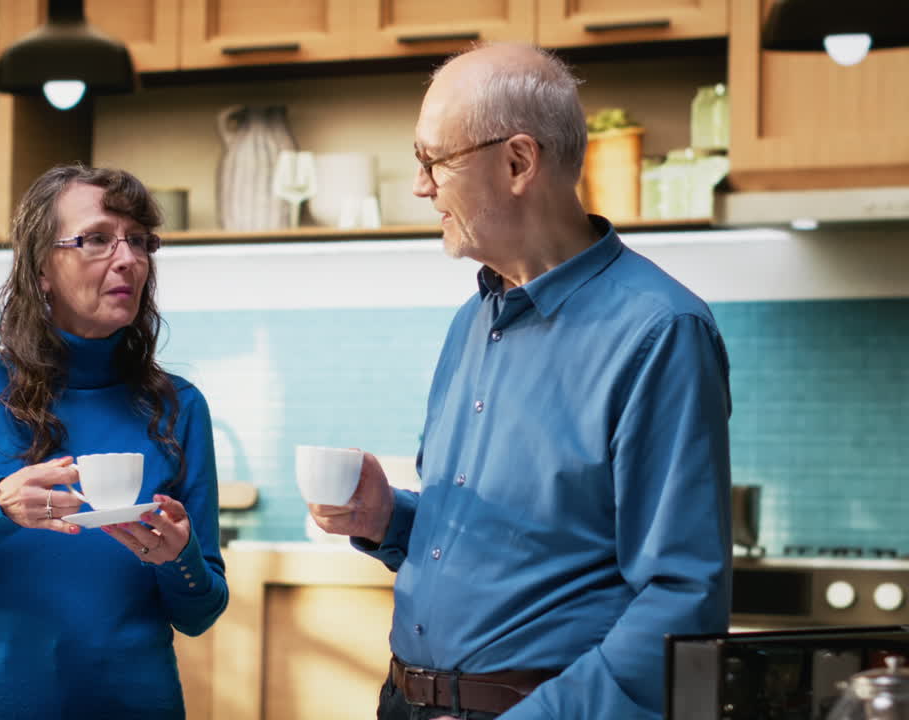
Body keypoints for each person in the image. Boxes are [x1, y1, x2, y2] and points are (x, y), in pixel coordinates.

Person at [309, 43, 732, 720]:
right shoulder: (470, 322)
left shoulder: (660, 331)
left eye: (433, 161)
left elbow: (681, 599)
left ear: (517, 162)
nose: (421, 186)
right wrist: (390, 518)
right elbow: (501, 543)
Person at [0, 165, 228, 719]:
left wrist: (177, 556)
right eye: (96, 239)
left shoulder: (180, 407)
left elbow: (200, 611)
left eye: (139, 241)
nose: (128, 259)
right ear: (42, 266)